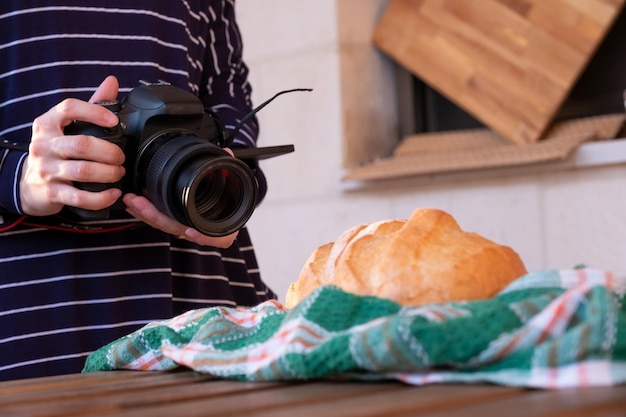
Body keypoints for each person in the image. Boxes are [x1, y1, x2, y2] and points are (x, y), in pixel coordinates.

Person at [0, 1, 277, 381]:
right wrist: (17, 178)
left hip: (203, 312)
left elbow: (233, 112)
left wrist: (227, 185)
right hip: (34, 322)